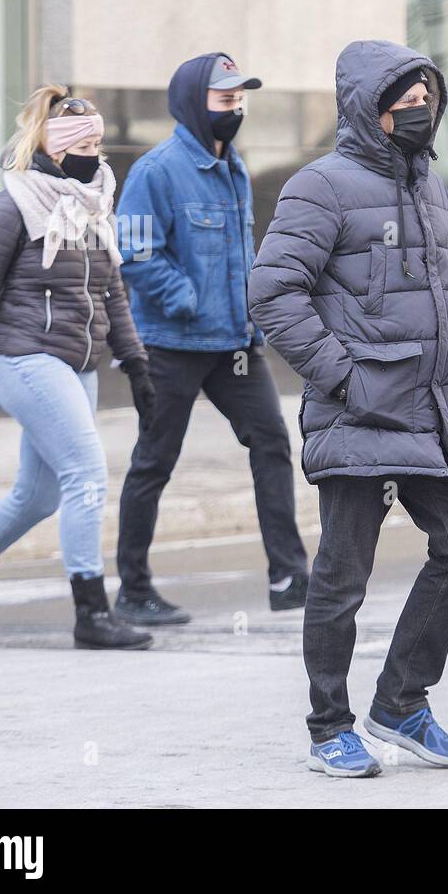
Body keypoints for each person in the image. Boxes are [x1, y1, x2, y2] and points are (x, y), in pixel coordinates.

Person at [249, 40, 448, 779]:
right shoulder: (319, 186)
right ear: (370, 109)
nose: (420, 113)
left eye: (428, 100)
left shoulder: (430, 186)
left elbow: (445, 296)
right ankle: (330, 726)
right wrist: (344, 378)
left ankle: (400, 702)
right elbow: (272, 294)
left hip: (433, 410)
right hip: (359, 411)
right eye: (405, 103)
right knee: (343, 573)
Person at [0, 86, 155, 650]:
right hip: (25, 361)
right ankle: (91, 613)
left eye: (99, 142)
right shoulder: (14, 206)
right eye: (85, 144)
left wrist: (135, 365)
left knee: (38, 496)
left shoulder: (91, 204)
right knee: (86, 476)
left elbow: (112, 290)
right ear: (56, 148)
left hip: (78, 365)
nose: (98, 154)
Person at [113, 53, 309, 625]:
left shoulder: (234, 166)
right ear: (194, 103)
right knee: (154, 461)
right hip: (171, 347)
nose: (236, 108)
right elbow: (136, 253)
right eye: (225, 100)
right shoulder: (156, 171)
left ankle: (289, 576)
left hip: (235, 346)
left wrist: (250, 314)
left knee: (272, 445)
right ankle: (133, 590)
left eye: (240, 99)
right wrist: (190, 301)